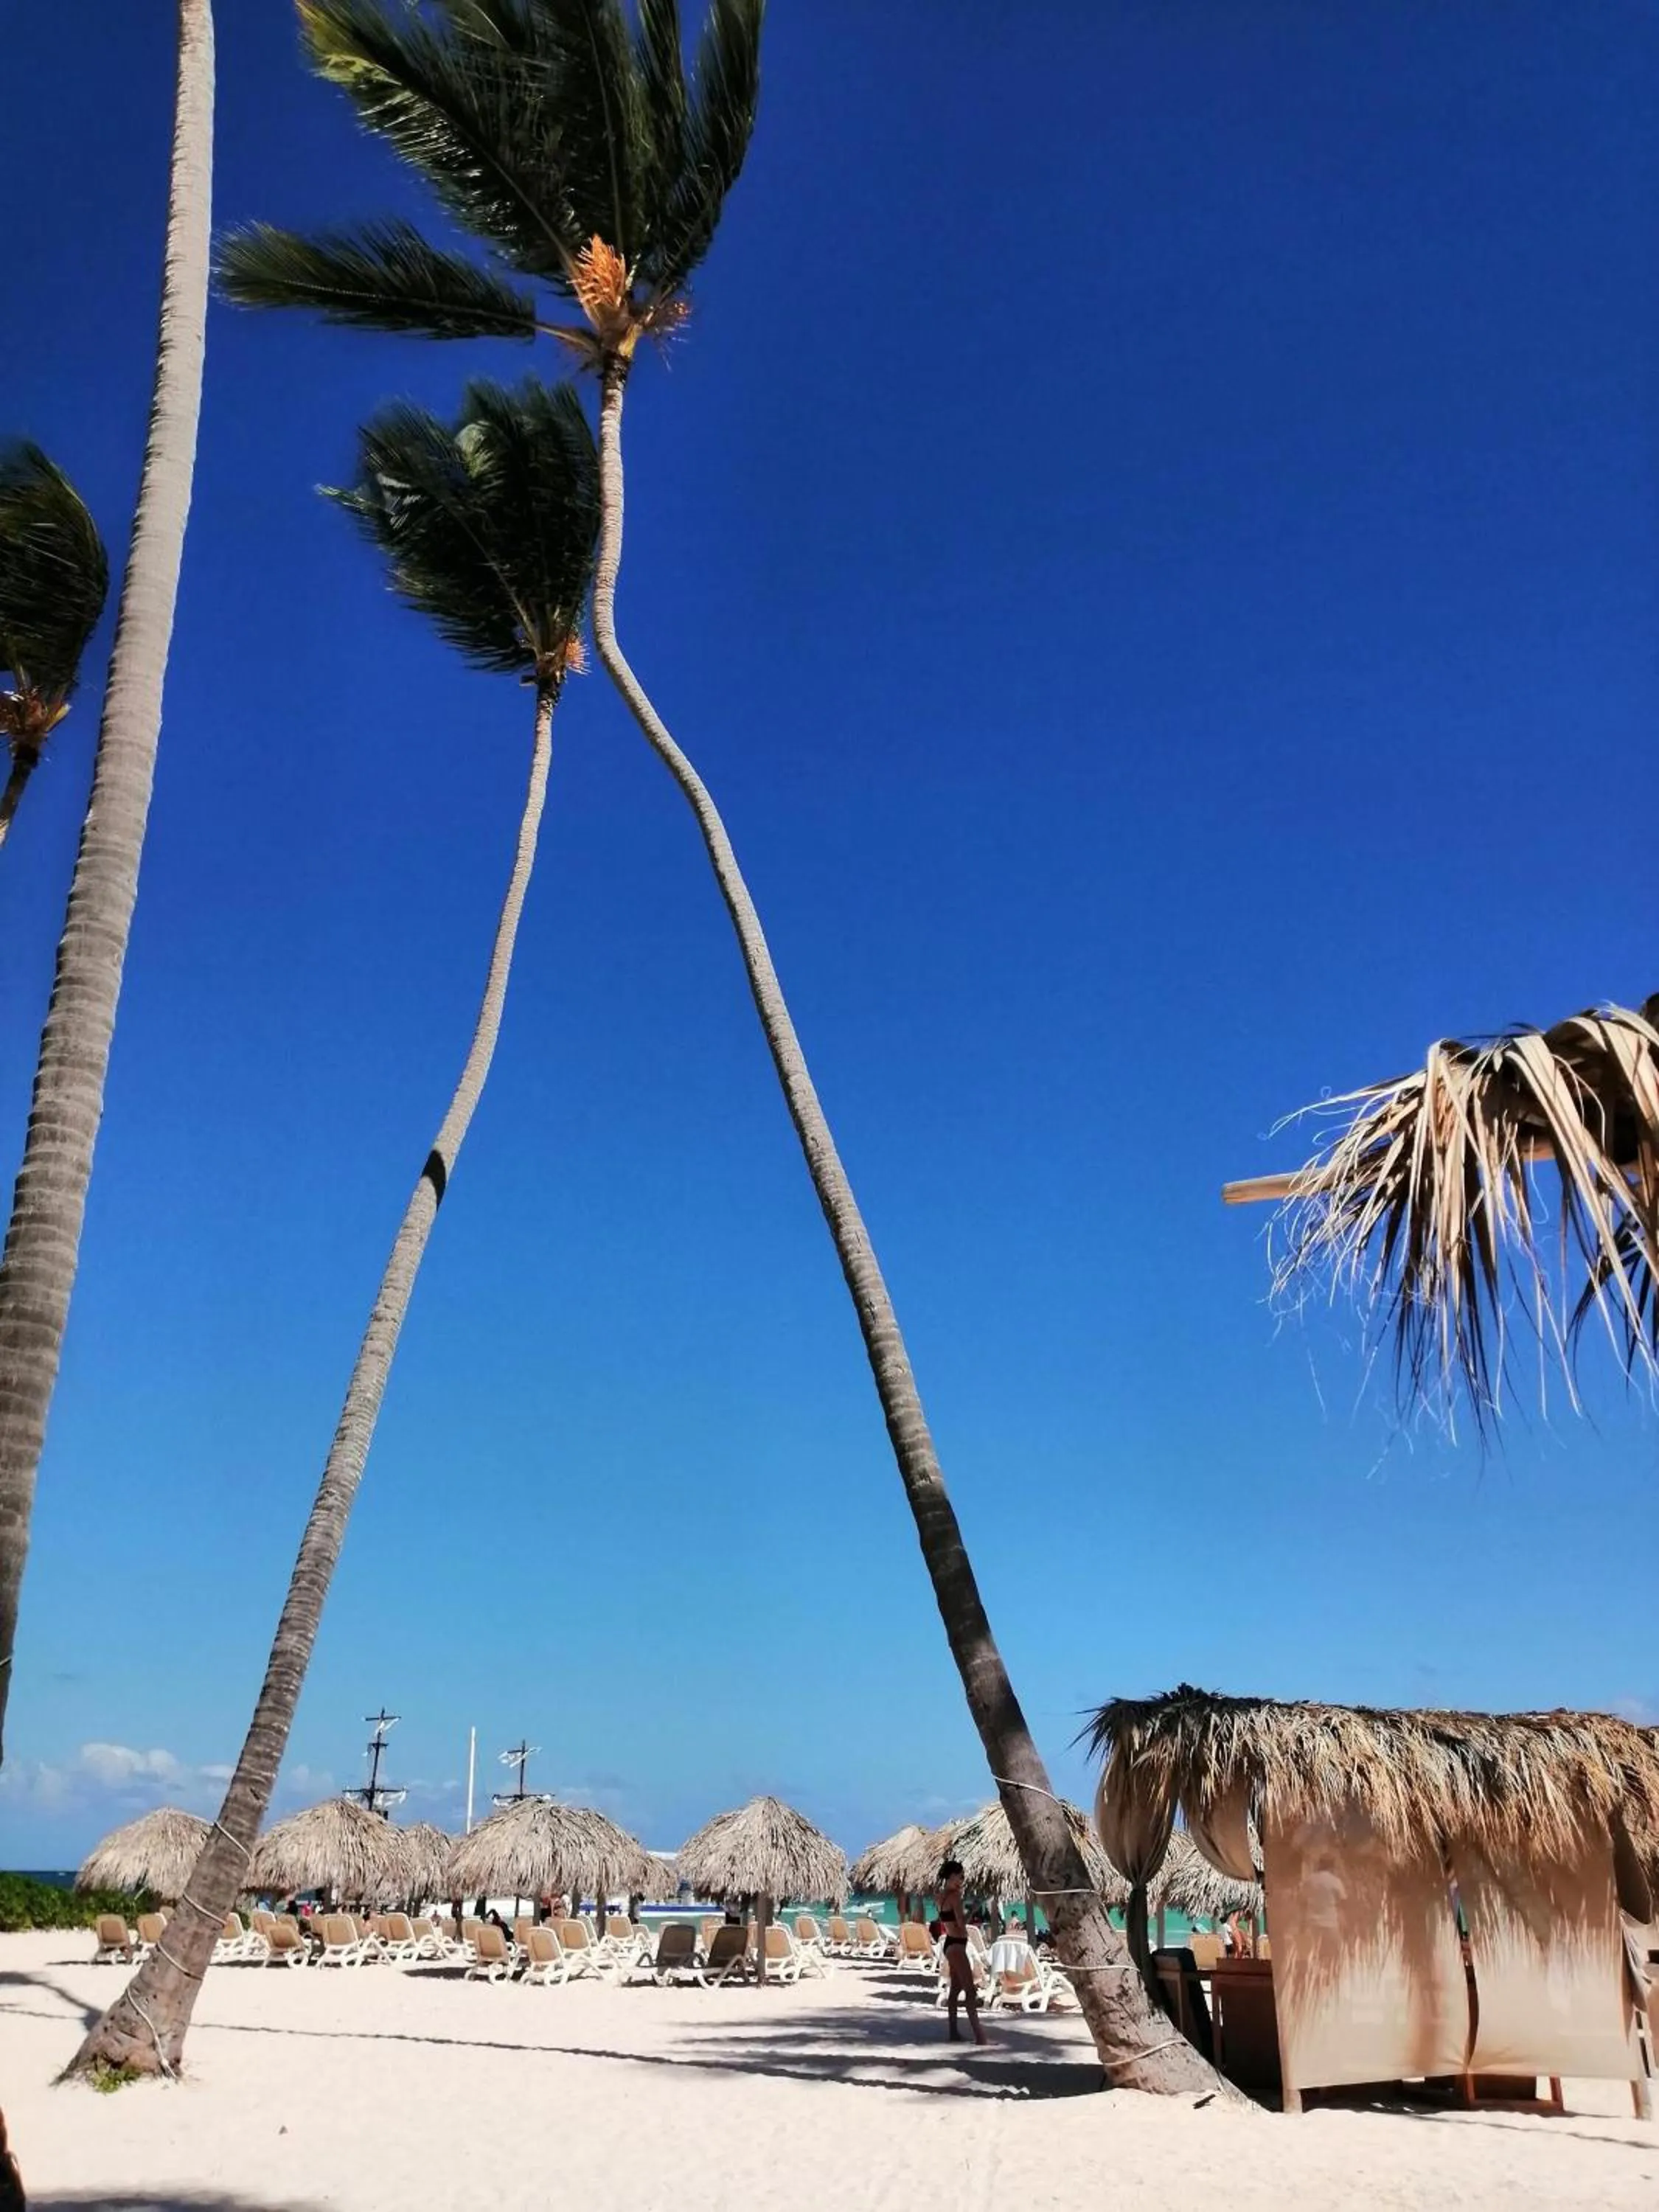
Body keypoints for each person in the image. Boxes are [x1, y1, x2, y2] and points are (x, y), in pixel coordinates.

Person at [936, 1859, 987, 2046]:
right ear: (951, 1876)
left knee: (955, 1990)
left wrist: (968, 1911)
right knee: (970, 1992)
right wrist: (972, 1910)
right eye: (960, 1877)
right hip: (958, 1945)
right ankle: (980, 2037)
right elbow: (960, 1924)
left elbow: (950, 1921)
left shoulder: (940, 1896)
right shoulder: (956, 1897)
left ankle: (953, 2032)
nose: (962, 1880)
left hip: (949, 1944)